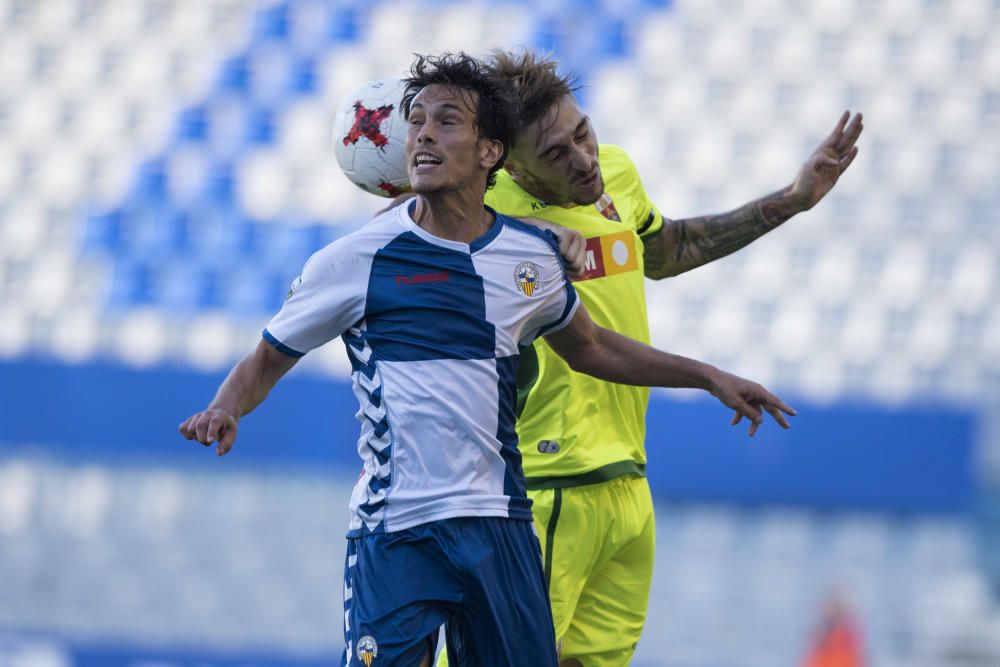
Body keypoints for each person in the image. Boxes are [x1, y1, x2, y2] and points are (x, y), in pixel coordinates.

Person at [179, 52, 794, 667]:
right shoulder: (356, 260)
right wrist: (224, 406)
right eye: (416, 121)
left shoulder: (527, 259)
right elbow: (265, 356)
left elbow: (595, 347)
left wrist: (709, 376)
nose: (422, 134)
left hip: (501, 522)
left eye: (446, 122)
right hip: (403, 524)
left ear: (488, 152)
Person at [438, 49, 862, 667]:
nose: (583, 159)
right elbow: (400, 227)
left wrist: (791, 200)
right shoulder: (476, 204)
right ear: (509, 163)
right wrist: (527, 236)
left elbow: (666, 250)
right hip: (544, 483)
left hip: (628, 481)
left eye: (582, 133)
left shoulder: (617, 174)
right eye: (556, 154)